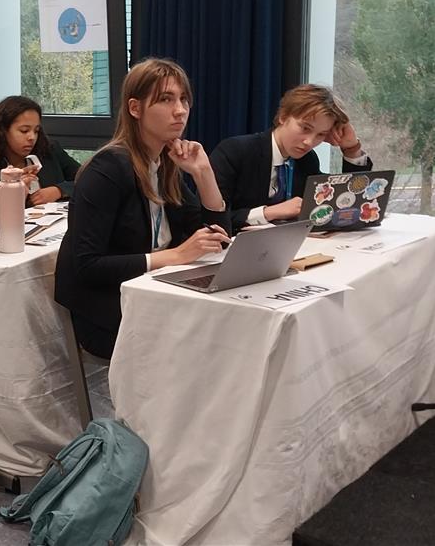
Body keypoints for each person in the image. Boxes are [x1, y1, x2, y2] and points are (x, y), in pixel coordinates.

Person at [54, 58, 231, 360]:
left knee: (227, 330)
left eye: (184, 99)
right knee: (216, 342)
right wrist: (174, 256)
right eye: (166, 99)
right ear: (135, 108)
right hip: (109, 307)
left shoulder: (165, 165)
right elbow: (88, 267)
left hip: (154, 290)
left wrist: (204, 174)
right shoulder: (107, 169)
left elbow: (219, 238)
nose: (180, 110)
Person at [210, 84, 372, 229]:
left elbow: (345, 202)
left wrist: (351, 149)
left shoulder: (307, 160)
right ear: (283, 116)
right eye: (305, 128)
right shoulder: (236, 151)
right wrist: (268, 212)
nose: (309, 142)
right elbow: (209, 219)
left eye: (321, 134)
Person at [0, 95, 81, 205]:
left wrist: (59, 190)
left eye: (36, 131)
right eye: (24, 131)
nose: (32, 137)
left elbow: (85, 179)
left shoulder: (49, 150)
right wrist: (16, 192)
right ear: (2, 131)